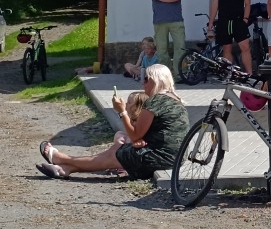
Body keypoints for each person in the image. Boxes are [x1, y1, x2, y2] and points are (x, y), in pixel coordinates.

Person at [36, 64, 189, 180]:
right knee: (115, 152)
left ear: (155, 80)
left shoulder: (155, 101)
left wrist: (122, 111)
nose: (143, 83)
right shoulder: (176, 100)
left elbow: (135, 135)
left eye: (145, 79)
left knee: (114, 154)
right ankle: (65, 169)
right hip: (175, 157)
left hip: (159, 157)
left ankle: (61, 159)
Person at [208, 0, 253, 73]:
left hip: (239, 21)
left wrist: (245, 19)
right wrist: (211, 22)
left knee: (245, 47)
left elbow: (247, 3)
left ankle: (250, 74)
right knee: (227, 49)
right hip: (224, 20)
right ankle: (229, 75)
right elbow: (215, 4)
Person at [146, 0, 185, 70]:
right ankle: (165, 74)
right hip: (159, 21)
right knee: (161, 50)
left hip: (176, 21)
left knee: (180, 48)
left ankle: (178, 74)